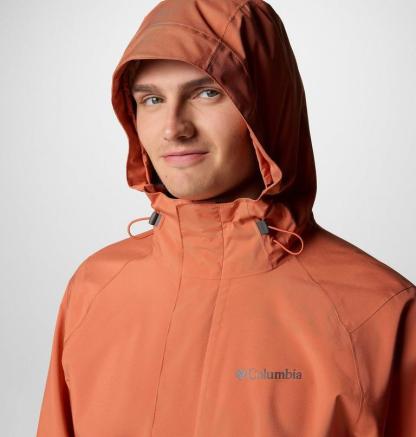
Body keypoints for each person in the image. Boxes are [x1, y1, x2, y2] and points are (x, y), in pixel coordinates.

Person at [36, 0, 415, 436]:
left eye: (207, 93)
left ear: (268, 105)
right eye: (152, 99)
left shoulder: (376, 312)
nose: (173, 128)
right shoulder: (95, 289)